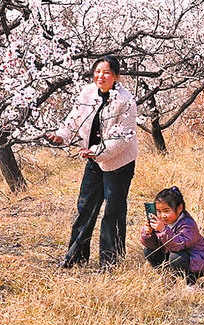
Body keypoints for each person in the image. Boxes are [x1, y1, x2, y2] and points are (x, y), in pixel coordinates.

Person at [46, 55, 138, 269]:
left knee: (113, 212)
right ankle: (75, 258)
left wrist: (96, 152)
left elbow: (123, 138)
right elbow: (75, 119)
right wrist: (62, 136)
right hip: (93, 159)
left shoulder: (125, 101)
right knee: (85, 207)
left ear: (116, 76)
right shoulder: (87, 93)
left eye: (106, 72)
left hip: (119, 163)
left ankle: (110, 262)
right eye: (97, 71)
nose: (101, 76)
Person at [140, 186, 204, 286]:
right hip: (172, 255)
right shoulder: (162, 222)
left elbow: (178, 245)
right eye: (159, 211)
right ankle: (168, 276)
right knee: (149, 251)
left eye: (166, 211)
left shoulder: (187, 224)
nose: (162, 216)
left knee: (176, 257)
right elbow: (154, 245)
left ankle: (191, 282)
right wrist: (148, 233)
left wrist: (162, 230)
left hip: (193, 261)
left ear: (179, 208)